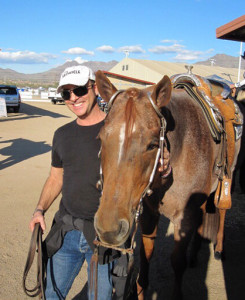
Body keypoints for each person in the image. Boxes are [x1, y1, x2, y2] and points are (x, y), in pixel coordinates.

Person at [29, 65, 171, 300]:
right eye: (66, 93)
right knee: (51, 293)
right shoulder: (62, 134)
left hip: (104, 233)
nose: (73, 98)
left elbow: (149, 173)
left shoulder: (121, 131)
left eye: (79, 90)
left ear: (95, 89)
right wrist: (39, 208)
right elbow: (56, 177)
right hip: (66, 230)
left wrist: (164, 168)